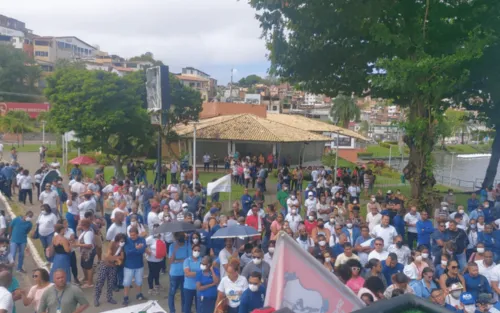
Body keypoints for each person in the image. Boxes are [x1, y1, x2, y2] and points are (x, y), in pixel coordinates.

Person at [94, 233, 124, 306]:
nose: (122, 242)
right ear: (117, 240)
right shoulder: (112, 244)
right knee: (100, 282)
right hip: (105, 265)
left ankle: (109, 297)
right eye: (121, 241)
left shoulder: (121, 247)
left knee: (111, 283)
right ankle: (96, 298)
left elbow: (122, 257)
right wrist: (117, 258)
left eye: (123, 241)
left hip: (113, 266)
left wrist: (115, 258)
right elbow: (108, 257)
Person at [122, 227, 147, 306]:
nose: (132, 237)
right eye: (130, 235)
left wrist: (134, 250)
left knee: (139, 281)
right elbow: (127, 253)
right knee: (127, 282)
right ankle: (125, 297)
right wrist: (136, 248)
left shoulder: (142, 240)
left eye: (133, 235)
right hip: (128, 266)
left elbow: (142, 251)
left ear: (137, 234)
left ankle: (139, 294)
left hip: (139, 265)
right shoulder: (127, 240)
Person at [168, 233, 189, 313]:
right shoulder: (172, 246)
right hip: (174, 274)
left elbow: (188, 259)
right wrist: (175, 251)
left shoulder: (187, 245)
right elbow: (170, 261)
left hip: (184, 274)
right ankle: (172, 311)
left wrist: (177, 260)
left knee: (184, 294)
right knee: (172, 293)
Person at [74, 220, 95, 288]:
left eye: (79, 224)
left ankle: (90, 282)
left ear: (83, 225)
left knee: (88, 267)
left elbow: (89, 245)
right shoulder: (86, 231)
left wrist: (78, 245)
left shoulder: (88, 234)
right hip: (84, 253)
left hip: (88, 253)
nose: (78, 225)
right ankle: (86, 278)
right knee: (83, 265)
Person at [183, 244, 201, 313]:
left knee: (199, 307)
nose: (197, 252)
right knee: (187, 307)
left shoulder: (202, 260)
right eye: (195, 250)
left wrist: (192, 273)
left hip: (199, 287)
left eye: (198, 250)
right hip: (188, 287)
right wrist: (199, 273)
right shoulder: (187, 260)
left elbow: (205, 272)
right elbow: (187, 274)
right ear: (192, 250)